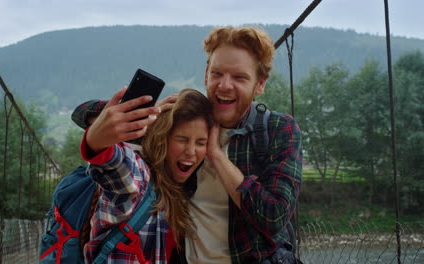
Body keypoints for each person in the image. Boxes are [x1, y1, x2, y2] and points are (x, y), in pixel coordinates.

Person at [73, 25, 303, 264]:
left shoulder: (277, 130)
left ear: (260, 84)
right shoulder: (183, 124)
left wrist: (216, 156)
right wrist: (153, 114)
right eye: (217, 74)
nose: (224, 85)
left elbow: (273, 217)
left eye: (239, 77)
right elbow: (81, 113)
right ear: (206, 74)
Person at [80, 88, 213, 263]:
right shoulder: (140, 180)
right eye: (182, 139)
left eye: (201, 143)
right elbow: (116, 163)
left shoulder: (189, 189)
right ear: (162, 139)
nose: (191, 151)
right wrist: (97, 141)